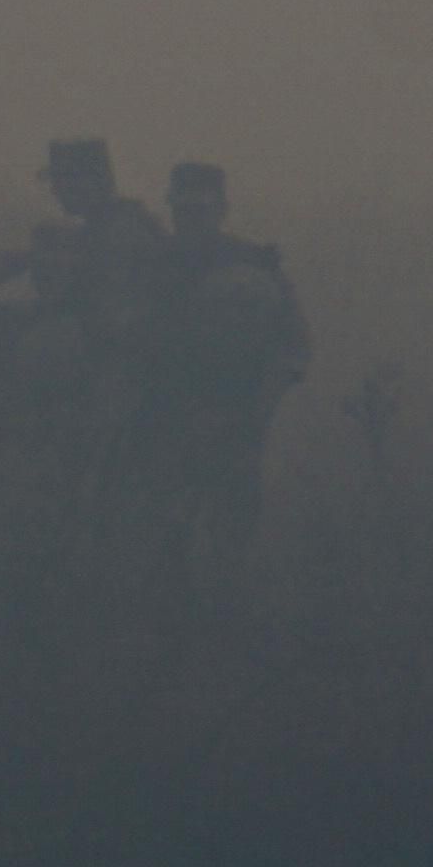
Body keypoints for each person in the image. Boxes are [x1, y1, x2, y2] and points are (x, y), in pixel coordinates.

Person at [0, 137, 159, 535]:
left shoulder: (118, 246)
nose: (60, 192)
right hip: (30, 466)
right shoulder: (14, 321)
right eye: (42, 262)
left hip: (87, 460)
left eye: (68, 181)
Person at [113, 160, 311, 567]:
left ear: (221, 208)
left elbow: (293, 344)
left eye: (200, 208)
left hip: (233, 422)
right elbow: (119, 340)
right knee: (162, 541)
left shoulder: (255, 266)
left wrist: (262, 406)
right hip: (161, 422)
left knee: (231, 540)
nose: (190, 217)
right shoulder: (150, 267)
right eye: (182, 208)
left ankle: (226, 615)